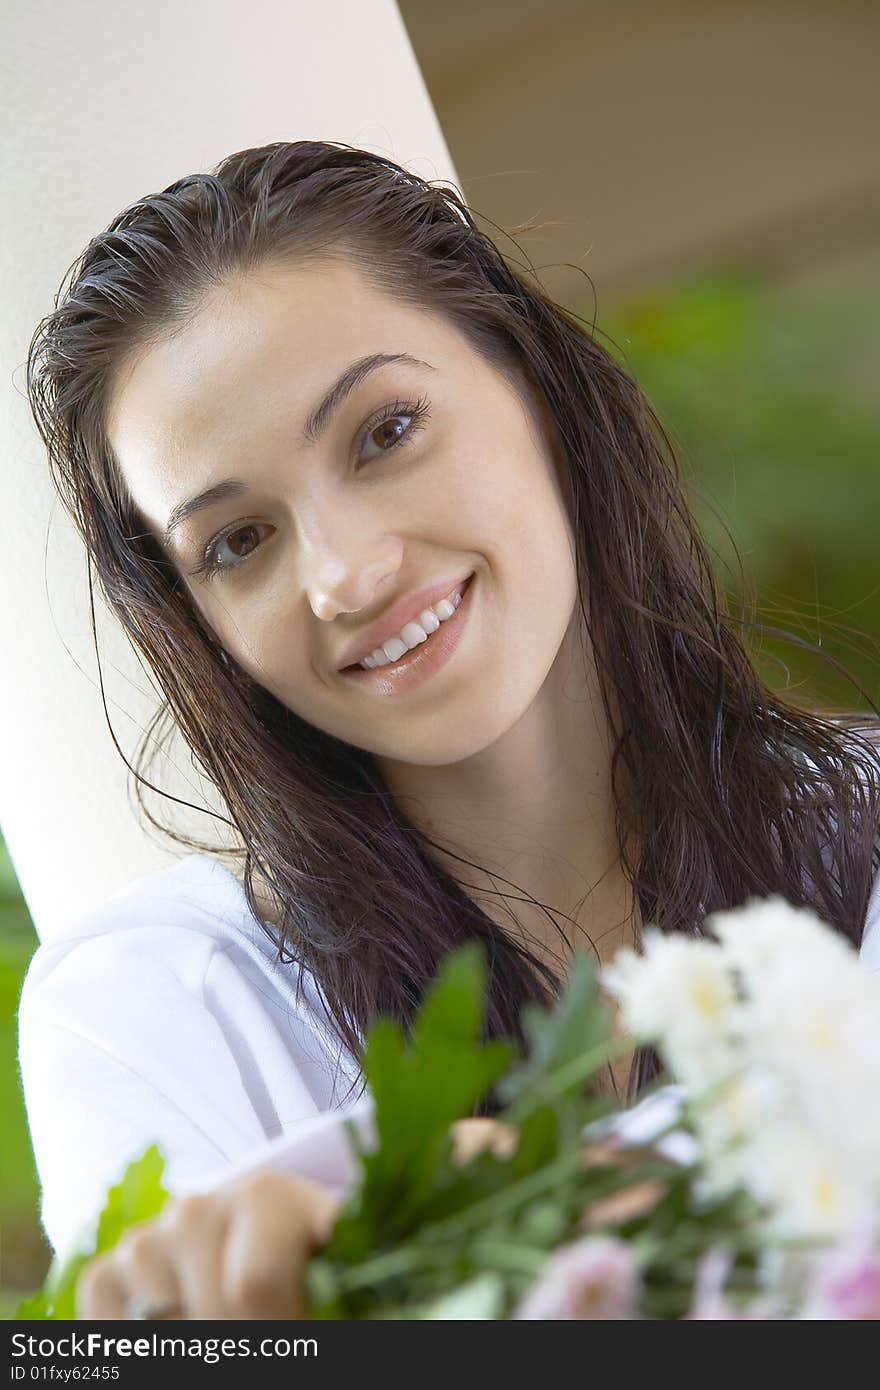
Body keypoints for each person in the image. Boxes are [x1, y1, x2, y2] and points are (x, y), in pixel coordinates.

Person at [18, 140, 880, 1320]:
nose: (346, 574)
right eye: (238, 541)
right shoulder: (168, 1004)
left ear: (533, 384)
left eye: (385, 432)